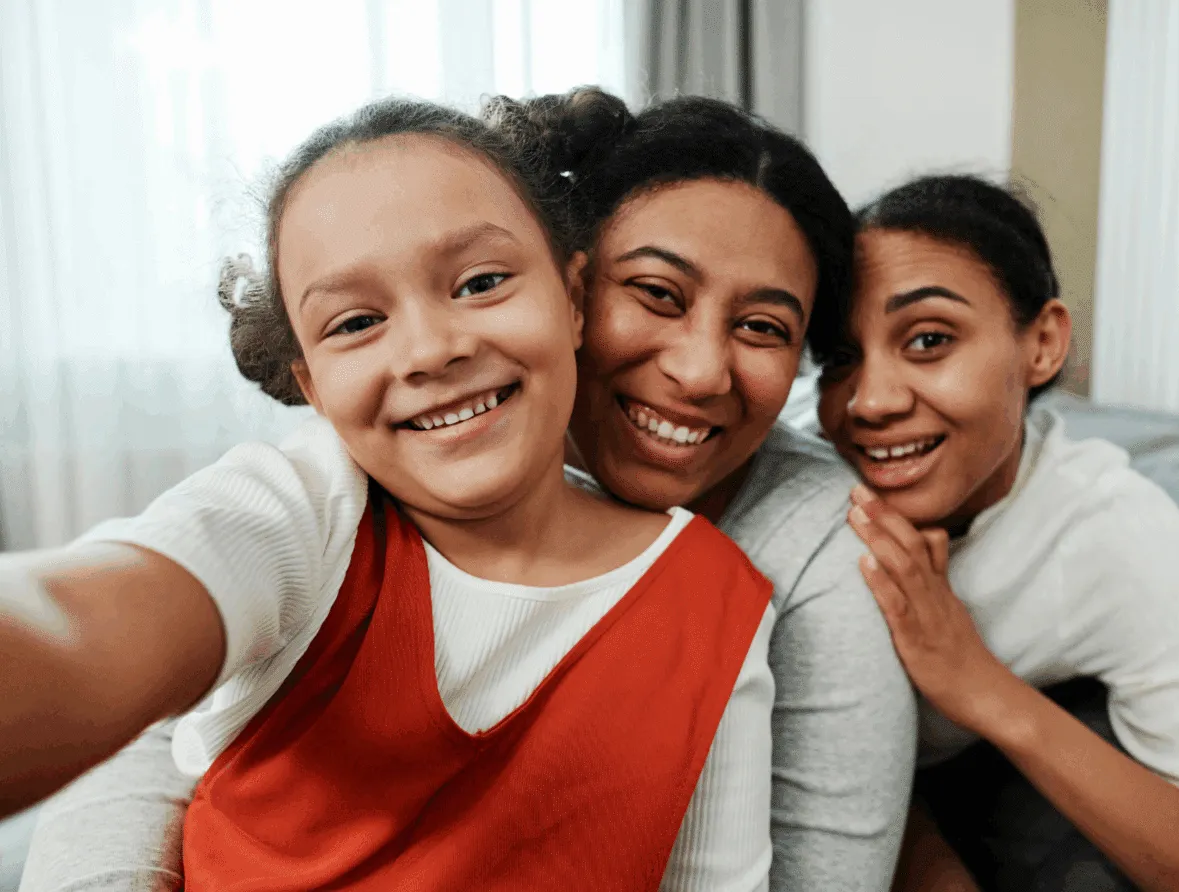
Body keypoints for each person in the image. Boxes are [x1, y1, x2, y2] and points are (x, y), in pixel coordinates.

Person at [17, 90, 916, 892]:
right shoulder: (313, 499)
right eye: (654, 292)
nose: (431, 349)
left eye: (762, 326)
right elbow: (118, 634)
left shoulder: (764, 578)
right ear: (583, 286)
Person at [814, 173, 1179, 891]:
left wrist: (983, 688)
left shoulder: (1107, 532)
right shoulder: (799, 490)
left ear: (1043, 344)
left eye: (929, 340)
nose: (869, 402)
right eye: (840, 358)